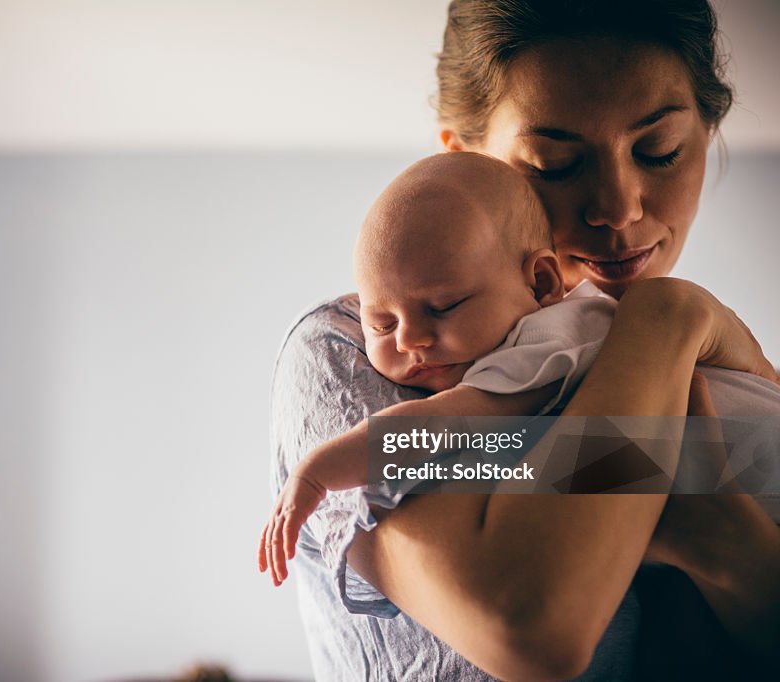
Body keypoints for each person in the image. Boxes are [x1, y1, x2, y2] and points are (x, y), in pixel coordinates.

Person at [267, 1, 780, 680]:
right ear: (469, 162)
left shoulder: (702, 365)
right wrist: (668, 318)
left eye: (660, 150)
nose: (620, 209)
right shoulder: (356, 349)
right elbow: (532, 627)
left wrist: (722, 539)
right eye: (556, 163)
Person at [258, 152, 780, 589]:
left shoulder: (550, 339)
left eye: (444, 306)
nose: (411, 339)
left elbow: (443, 425)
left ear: (542, 283)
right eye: (381, 323)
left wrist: (318, 471)